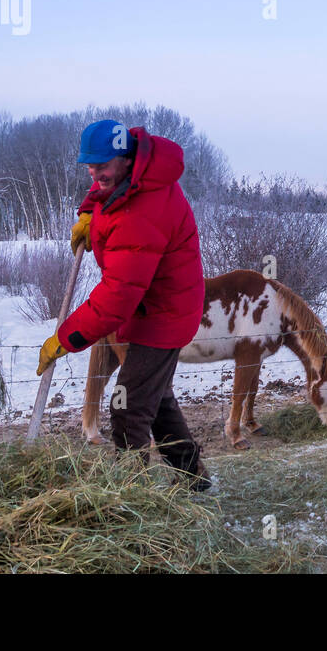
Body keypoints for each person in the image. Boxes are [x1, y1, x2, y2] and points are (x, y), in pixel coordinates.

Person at [37, 119, 209, 491]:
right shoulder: (131, 180)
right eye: (90, 164)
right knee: (156, 400)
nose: (94, 171)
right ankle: (196, 481)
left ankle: (130, 496)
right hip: (151, 307)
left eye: (102, 164)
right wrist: (88, 212)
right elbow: (104, 194)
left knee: (127, 406)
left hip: (164, 315)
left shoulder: (143, 210)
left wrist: (65, 339)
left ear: (127, 160)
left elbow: (118, 294)